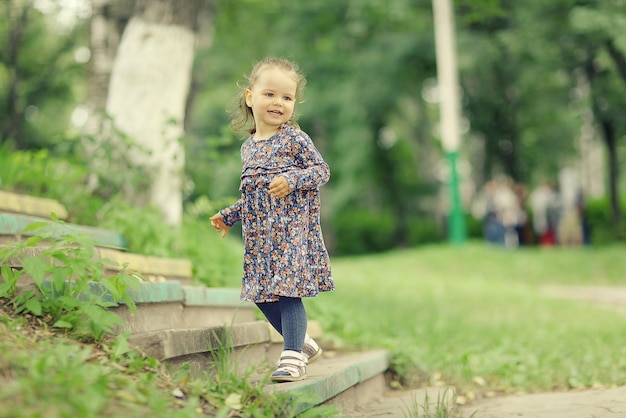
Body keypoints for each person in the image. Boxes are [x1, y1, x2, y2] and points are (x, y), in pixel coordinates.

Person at [210, 57, 334, 383]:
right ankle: (302, 342)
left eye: (287, 97)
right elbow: (253, 194)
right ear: (250, 97)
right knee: (261, 295)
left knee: (288, 292)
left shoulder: (294, 139)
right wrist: (229, 215)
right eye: (270, 94)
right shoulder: (248, 148)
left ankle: (292, 357)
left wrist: (292, 179)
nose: (279, 102)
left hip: (291, 232)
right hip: (260, 237)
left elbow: (321, 171)